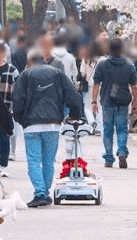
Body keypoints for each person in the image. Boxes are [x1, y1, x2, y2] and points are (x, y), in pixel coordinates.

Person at [12, 51, 84, 208]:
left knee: (34, 160)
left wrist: (20, 119)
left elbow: (17, 99)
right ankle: (45, 192)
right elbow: (72, 94)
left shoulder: (25, 75)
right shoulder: (57, 73)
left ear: (29, 62)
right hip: (53, 124)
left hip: (31, 125)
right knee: (48, 161)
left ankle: (39, 193)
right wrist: (75, 113)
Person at [90, 38, 137, 169]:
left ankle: (108, 158)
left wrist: (93, 101)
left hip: (106, 101)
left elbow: (96, 84)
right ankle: (122, 152)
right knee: (122, 129)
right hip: (122, 103)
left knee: (107, 130)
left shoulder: (102, 65)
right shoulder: (129, 65)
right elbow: (134, 87)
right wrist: (136, 103)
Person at [0, 42, 21, 164]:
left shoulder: (12, 70)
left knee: (4, 137)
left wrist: (15, 109)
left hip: (6, 109)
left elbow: (17, 91)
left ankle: (4, 165)